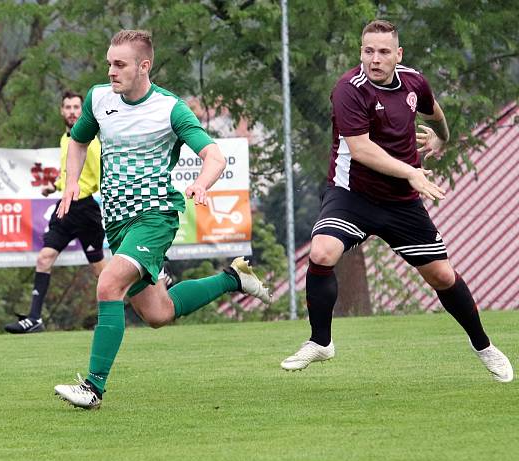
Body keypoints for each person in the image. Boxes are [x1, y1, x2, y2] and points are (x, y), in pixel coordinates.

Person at [280, 20, 513, 383]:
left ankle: (483, 346)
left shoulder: (414, 81)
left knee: (442, 275)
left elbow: (434, 111)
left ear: (398, 55)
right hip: (352, 195)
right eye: (368, 50)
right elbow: (361, 149)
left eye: (383, 51)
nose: (375, 59)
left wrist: (442, 139)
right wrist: (411, 172)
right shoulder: (348, 89)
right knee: (322, 252)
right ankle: (321, 341)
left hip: (401, 203)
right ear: (361, 52)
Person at [52, 30, 272, 409]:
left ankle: (93, 388)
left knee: (108, 283)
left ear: (144, 66)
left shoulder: (170, 108)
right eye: (108, 63)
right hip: (118, 222)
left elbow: (215, 157)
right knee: (158, 313)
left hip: (155, 216)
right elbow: (78, 141)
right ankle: (234, 278)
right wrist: (72, 182)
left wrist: (202, 184)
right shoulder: (98, 99)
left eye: (119, 64)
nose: (111, 71)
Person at [3, 91, 106, 334]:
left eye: (76, 107)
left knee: (99, 269)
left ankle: (115, 313)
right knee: (44, 258)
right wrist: (56, 186)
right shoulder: (65, 138)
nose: (72, 111)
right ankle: (35, 319)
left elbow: (100, 174)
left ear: (83, 111)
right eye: (67, 107)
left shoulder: (90, 141)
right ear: (62, 111)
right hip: (66, 207)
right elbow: (70, 174)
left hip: (86, 209)